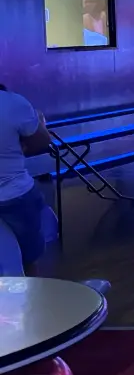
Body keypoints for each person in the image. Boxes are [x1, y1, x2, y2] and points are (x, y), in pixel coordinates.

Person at [0, 85, 52, 273]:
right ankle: (28, 287)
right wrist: (39, 120)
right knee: (28, 258)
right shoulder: (12, 102)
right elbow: (41, 142)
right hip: (14, 196)